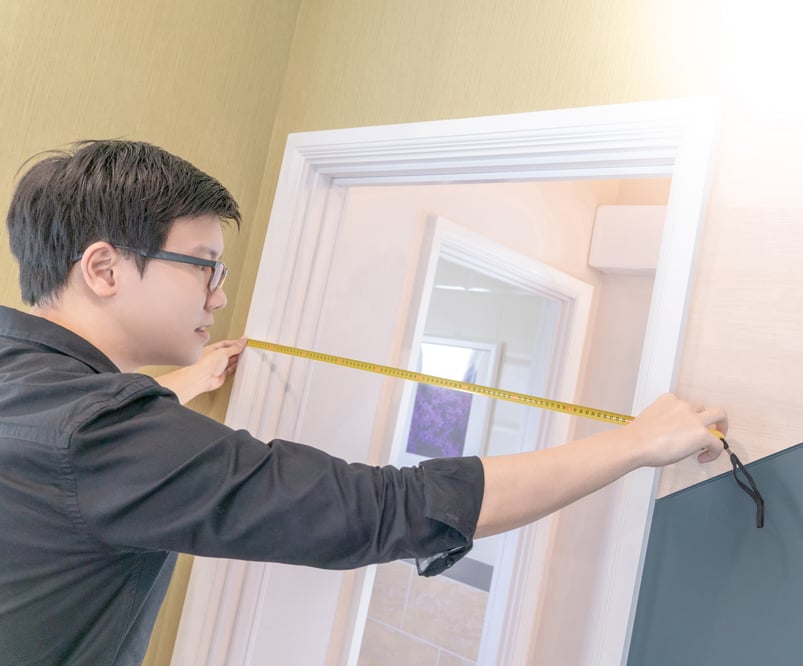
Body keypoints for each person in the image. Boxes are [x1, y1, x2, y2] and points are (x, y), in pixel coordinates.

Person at [0, 140, 727, 665]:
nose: (219, 296)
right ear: (102, 267)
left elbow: (73, 457)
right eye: (206, 268)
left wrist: (173, 387)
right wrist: (633, 443)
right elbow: (383, 508)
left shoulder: (31, 382)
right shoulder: (100, 435)